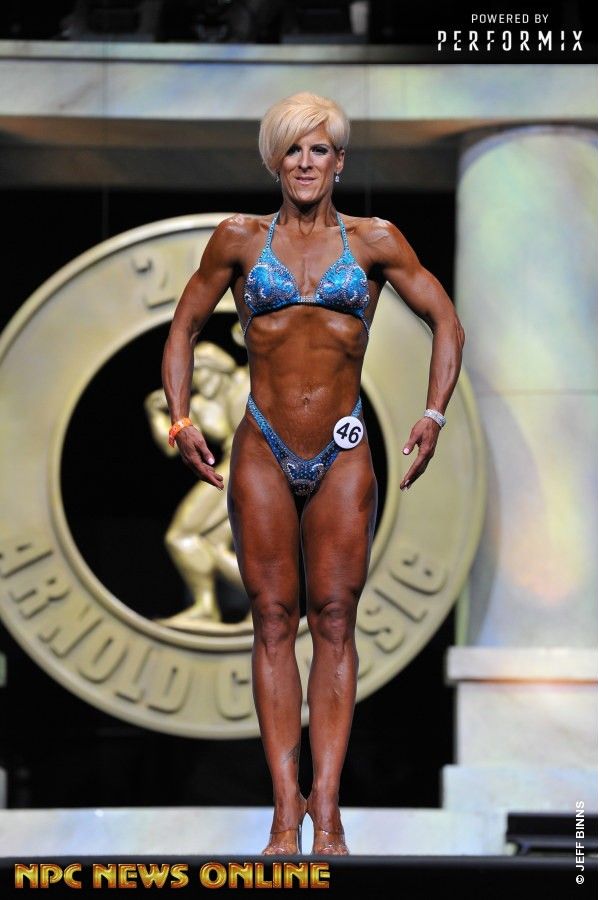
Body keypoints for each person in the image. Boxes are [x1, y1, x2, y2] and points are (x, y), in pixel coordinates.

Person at [161, 92, 465, 856]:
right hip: (264, 446)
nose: (305, 163)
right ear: (276, 161)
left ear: (339, 161)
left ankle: (326, 812)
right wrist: (182, 419)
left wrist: (433, 414)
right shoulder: (238, 238)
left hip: (341, 449)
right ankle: (282, 816)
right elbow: (184, 326)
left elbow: (446, 319)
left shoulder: (375, 241)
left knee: (333, 620)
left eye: (319, 149)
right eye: (293, 150)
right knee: (271, 620)